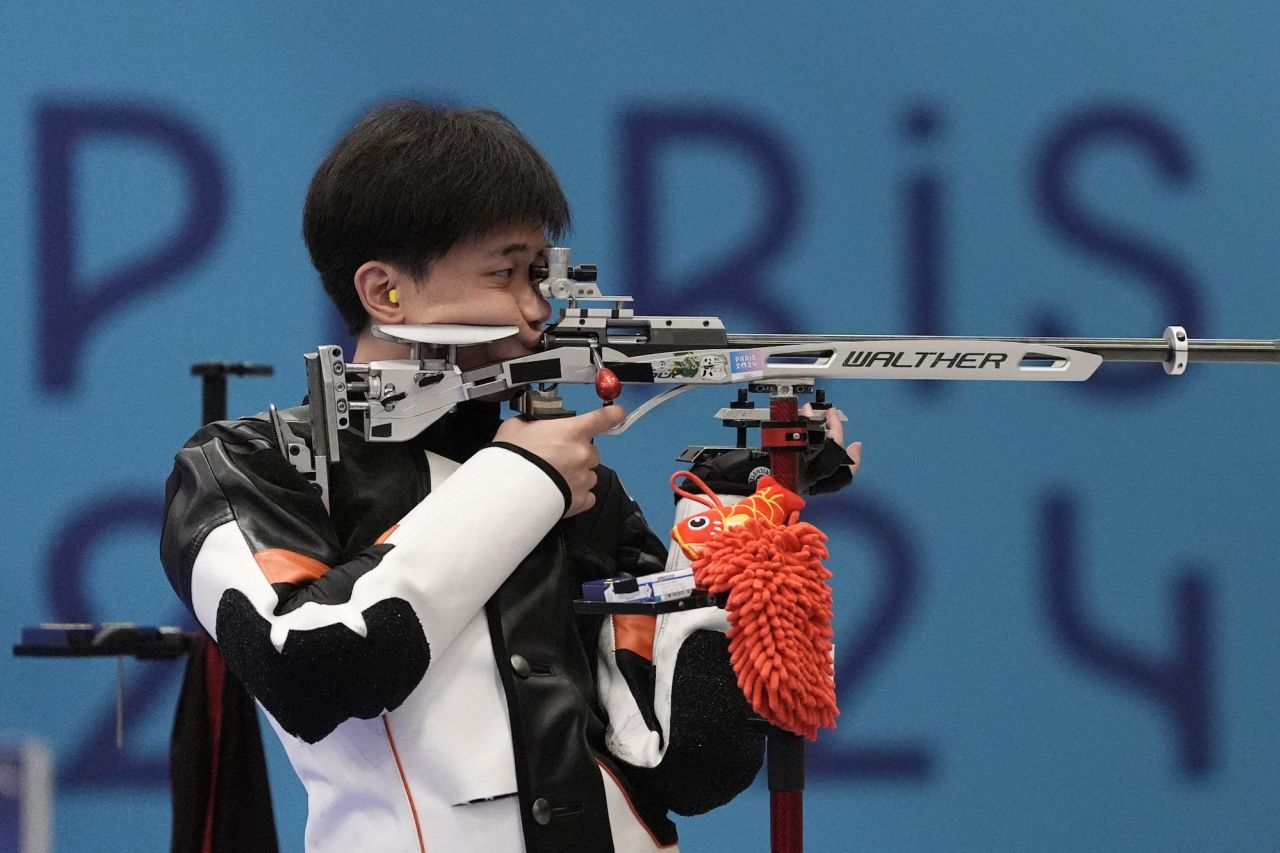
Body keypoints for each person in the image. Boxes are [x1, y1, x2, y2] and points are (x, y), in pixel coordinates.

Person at [160, 101, 859, 852]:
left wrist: (732, 527)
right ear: (385, 292)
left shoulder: (575, 482)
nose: (536, 311)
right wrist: (523, 477)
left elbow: (693, 768)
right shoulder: (251, 466)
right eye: (505, 272)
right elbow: (310, 666)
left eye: (540, 274)